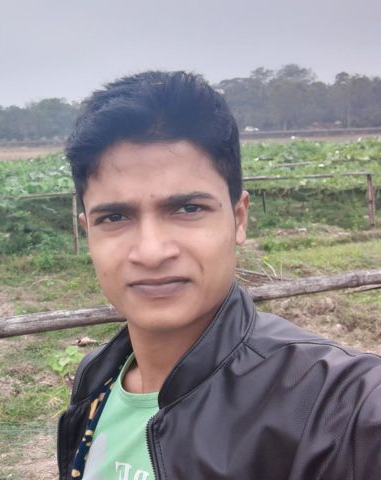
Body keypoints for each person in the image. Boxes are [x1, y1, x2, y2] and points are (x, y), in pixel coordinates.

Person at [57, 71, 381, 480]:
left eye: (188, 209)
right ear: (88, 232)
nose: (152, 252)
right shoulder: (96, 380)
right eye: (115, 217)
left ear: (239, 218)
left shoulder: (334, 404)